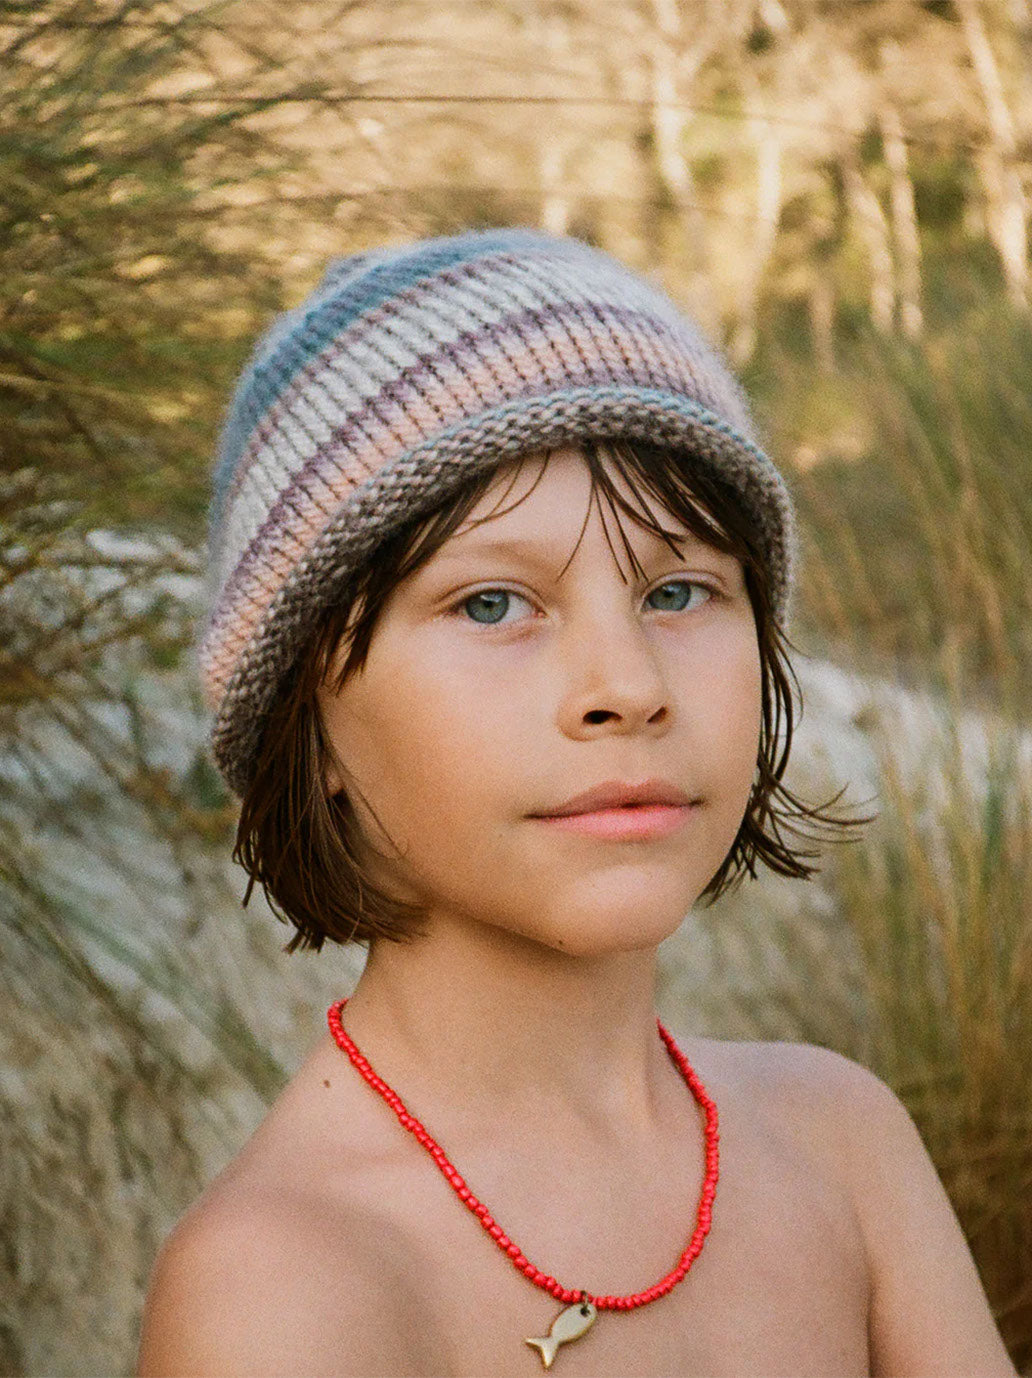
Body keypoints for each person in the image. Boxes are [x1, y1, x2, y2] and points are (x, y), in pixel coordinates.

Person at [135, 227, 1017, 1377]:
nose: (628, 687)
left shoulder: (839, 1139)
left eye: (680, 588)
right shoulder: (284, 1286)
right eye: (494, 603)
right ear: (312, 707)